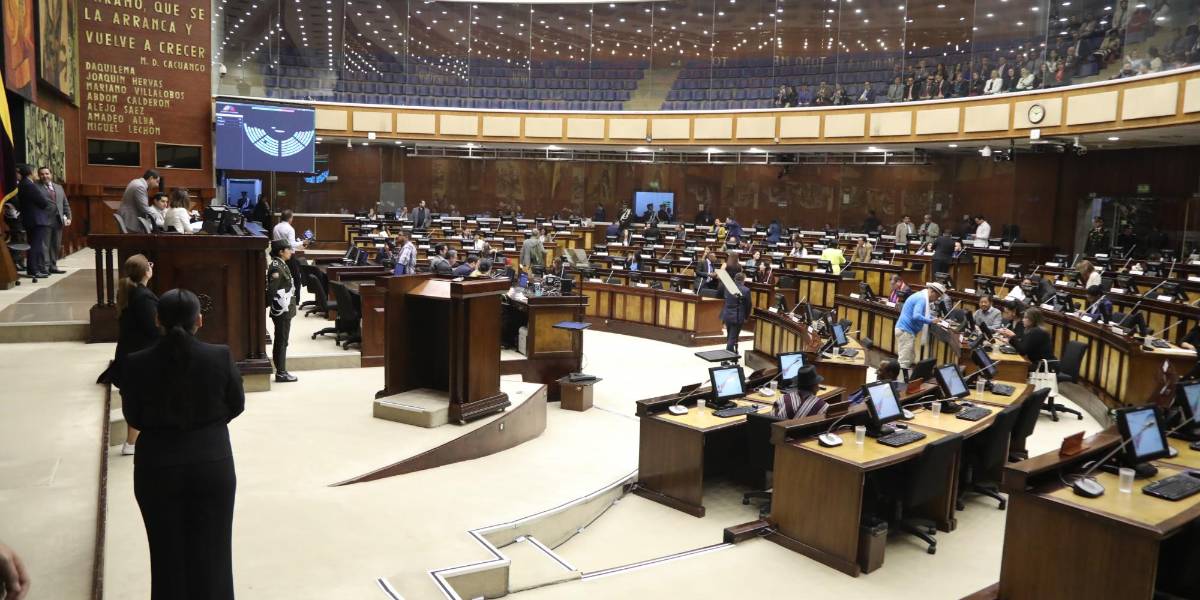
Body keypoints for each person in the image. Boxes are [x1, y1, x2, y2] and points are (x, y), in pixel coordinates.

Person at [120, 288, 244, 600]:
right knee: (214, 555)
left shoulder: (136, 363)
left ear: (157, 319)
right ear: (199, 320)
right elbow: (236, 403)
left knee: (166, 557)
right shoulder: (220, 356)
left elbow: (133, 414)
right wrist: (208, 426)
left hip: (156, 466)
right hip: (211, 461)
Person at [109, 254, 158, 456]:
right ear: (146, 271)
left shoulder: (131, 291)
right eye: (150, 264)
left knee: (137, 398)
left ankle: (133, 441)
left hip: (130, 353)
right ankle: (131, 443)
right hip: (139, 355)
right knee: (141, 398)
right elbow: (153, 328)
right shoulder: (143, 297)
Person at [895, 282, 946, 374]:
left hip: (905, 331)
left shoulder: (921, 296)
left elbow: (924, 314)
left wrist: (934, 319)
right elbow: (917, 316)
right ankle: (899, 384)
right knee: (904, 361)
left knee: (910, 357)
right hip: (905, 331)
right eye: (937, 296)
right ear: (932, 292)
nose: (936, 300)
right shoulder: (922, 299)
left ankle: (902, 380)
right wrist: (931, 321)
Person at [267, 240, 298, 383]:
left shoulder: (280, 264)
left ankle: (281, 370)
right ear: (281, 251)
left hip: (286, 309)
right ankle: (281, 372)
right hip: (282, 310)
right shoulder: (276, 268)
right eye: (288, 249)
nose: (291, 251)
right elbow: (272, 291)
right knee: (282, 341)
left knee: (282, 340)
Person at [16, 164, 51, 278]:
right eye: (36, 172)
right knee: (35, 246)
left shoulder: (23, 184)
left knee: (33, 245)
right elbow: (43, 202)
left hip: (30, 219)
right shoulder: (29, 185)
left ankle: (33, 269)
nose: (37, 174)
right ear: (31, 172)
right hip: (36, 220)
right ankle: (34, 270)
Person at [37, 166, 69, 274]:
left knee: (56, 244)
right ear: (39, 176)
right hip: (44, 220)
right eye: (42, 174)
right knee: (45, 245)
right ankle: (45, 267)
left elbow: (65, 204)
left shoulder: (59, 187)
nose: (45, 176)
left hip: (58, 220)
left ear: (51, 175)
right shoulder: (36, 187)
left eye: (47, 174)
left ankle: (53, 266)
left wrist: (68, 217)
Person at [720, 271, 752, 353]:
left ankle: (732, 352)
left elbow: (725, 298)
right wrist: (746, 317)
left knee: (730, 335)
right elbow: (748, 305)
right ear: (743, 280)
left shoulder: (728, 287)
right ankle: (727, 356)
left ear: (735, 279)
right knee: (733, 337)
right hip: (737, 317)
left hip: (727, 315)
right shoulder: (746, 290)